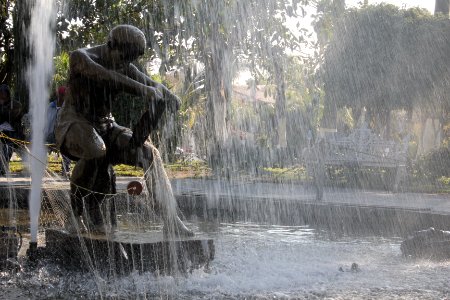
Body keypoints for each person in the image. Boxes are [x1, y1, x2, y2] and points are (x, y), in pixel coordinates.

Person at [55, 25, 193, 236]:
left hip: (106, 125)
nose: (125, 64)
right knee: (95, 148)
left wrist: (169, 96)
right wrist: (142, 90)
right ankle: (75, 211)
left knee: (149, 154)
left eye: (130, 60)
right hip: (74, 123)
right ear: (111, 45)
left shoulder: (125, 66)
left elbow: (151, 84)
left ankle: (171, 220)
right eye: (123, 57)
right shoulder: (80, 58)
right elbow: (105, 76)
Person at [45, 86, 71, 177]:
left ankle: (66, 169)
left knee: (66, 148)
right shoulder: (51, 106)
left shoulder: (68, 108)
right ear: (58, 95)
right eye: (61, 95)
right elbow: (46, 121)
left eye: (64, 95)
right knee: (43, 146)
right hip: (50, 134)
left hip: (63, 135)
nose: (62, 97)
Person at [0, 84, 22, 175]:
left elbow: (12, 115)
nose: (2, 95)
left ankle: (3, 168)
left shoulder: (15, 104)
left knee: (7, 150)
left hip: (11, 132)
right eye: (1, 93)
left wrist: (3, 107)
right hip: (1, 130)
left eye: (4, 93)